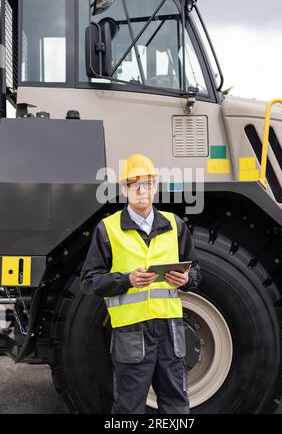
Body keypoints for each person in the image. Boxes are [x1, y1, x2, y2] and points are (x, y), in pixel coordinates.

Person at [80, 153, 202, 414]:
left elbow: (196, 271)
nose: (141, 190)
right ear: (124, 189)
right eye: (134, 183)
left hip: (170, 331)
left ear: (155, 187)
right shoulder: (107, 229)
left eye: (147, 183)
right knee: (129, 408)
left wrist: (186, 279)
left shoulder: (175, 225)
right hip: (131, 333)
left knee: (177, 407)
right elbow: (89, 281)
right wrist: (127, 280)